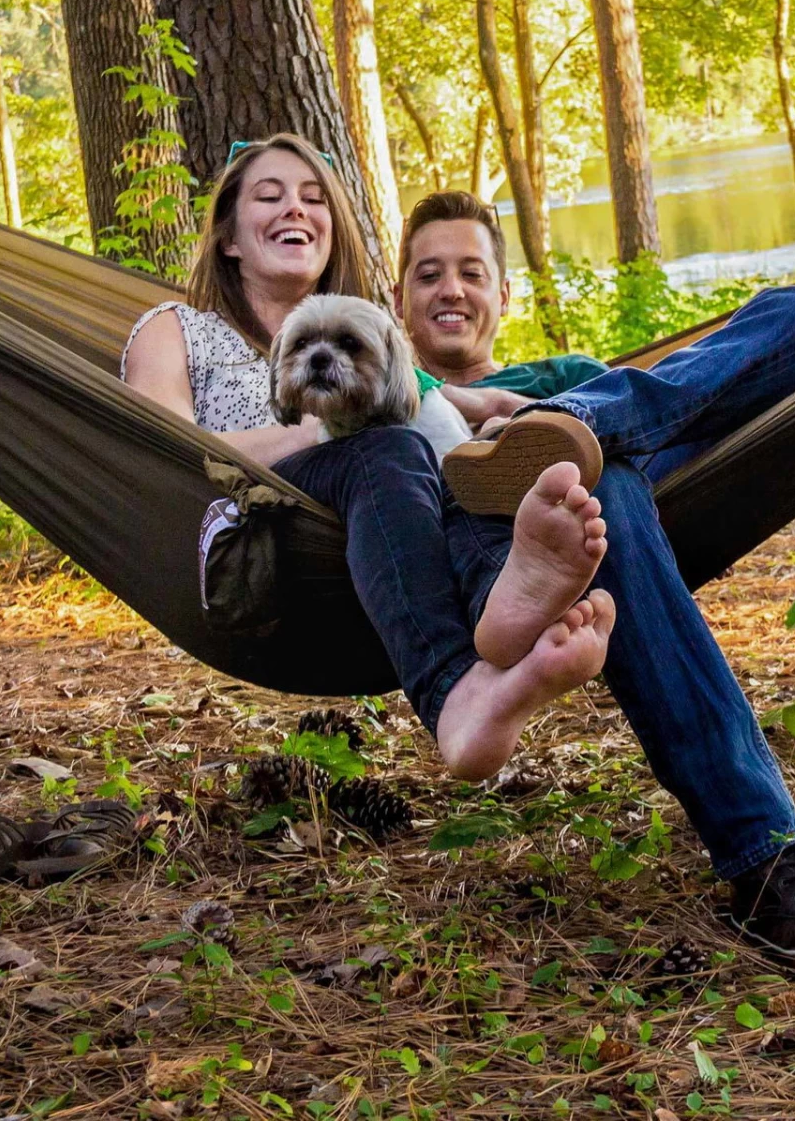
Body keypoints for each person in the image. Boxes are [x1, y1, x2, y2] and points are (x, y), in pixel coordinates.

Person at [395, 191, 795, 968]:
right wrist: (448, 409)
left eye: (471, 272)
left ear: (504, 295)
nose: (451, 289)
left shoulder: (568, 369)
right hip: (482, 542)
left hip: (594, 467)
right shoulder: (382, 384)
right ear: (398, 299)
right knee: (599, 480)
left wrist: (516, 407)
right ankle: (767, 862)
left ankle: (552, 432)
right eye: (428, 274)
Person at [123, 136, 616, 785]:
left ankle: (506, 600)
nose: (294, 209)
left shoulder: (358, 328)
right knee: (388, 447)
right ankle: (453, 694)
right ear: (229, 239)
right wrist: (318, 432)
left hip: (378, 526)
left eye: (313, 198)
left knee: (444, 474)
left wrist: (492, 401)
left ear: (332, 233)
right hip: (260, 524)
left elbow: (420, 396)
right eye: (269, 197)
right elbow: (161, 451)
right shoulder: (176, 328)